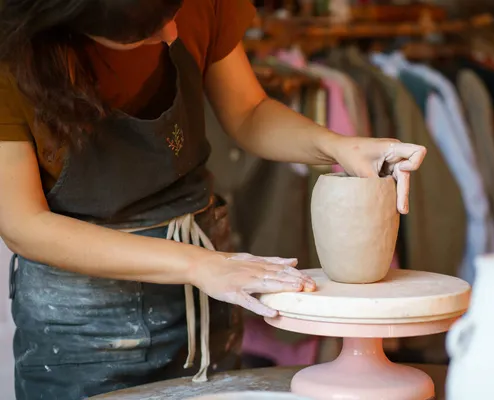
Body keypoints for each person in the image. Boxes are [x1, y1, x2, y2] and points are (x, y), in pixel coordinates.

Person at [0, 0, 427, 398]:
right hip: (78, 312)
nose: (171, 33)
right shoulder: (10, 51)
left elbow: (248, 111)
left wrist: (336, 146)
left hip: (204, 286)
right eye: (147, 32)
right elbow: (23, 224)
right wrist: (198, 265)